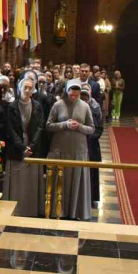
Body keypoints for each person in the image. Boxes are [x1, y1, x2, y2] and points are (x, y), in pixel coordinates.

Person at [44, 80, 95, 220]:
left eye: (76, 95)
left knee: (76, 180)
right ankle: (58, 211)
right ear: (66, 92)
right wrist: (65, 124)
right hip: (59, 148)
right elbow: (48, 125)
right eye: (71, 95)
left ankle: (76, 211)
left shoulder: (85, 106)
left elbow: (92, 128)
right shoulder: (58, 105)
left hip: (79, 149)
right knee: (60, 180)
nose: (73, 97)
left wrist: (79, 126)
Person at [0, 76, 44, 217]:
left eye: (30, 88)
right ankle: (14, 210)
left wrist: (31, 146)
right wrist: (22, 147)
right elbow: (10, 129)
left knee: (30, 181)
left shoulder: (38, 106)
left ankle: (30, 210)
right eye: (25, 87)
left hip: (33, 147)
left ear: (33, 90)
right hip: (16, 148)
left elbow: (40, 127)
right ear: (20, 88)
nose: (27, 90)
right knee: (17, 181)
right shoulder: (12, 106)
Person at [81, 84, 104, 206]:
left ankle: (91, 198)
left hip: (92, 145)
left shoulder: (95, 107)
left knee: (92, 173)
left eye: (86, 98)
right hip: (80, 144)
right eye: (82, 98)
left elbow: (99, 128)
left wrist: (89, 136)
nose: (84, 100)